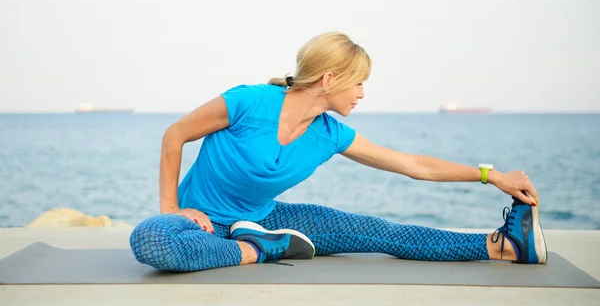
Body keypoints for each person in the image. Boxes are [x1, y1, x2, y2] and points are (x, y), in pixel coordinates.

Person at [130, 32, 548, 272]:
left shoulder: (330, 134)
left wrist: (491, 176)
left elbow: (413, 165)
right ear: (330, 79)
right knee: (152, 241)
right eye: (359, 83)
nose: (363, 94)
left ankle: (506, 246)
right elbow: (174, 135)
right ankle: (263, 249)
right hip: (199, 224)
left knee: (380, 233)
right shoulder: (248, 102)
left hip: (265, 219)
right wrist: (173, 210)